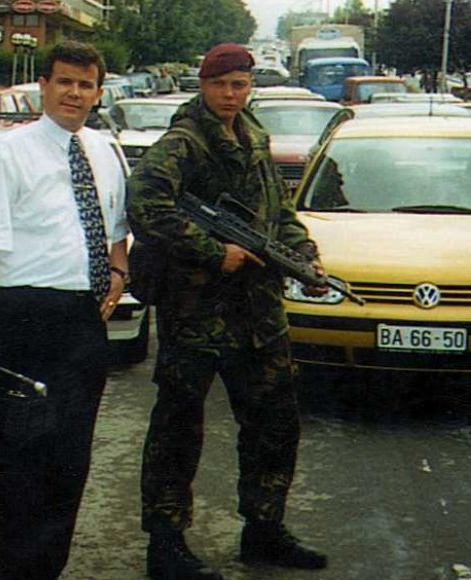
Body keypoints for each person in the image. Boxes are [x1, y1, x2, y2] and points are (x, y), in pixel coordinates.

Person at [126, 43, 329, 580]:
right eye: (220, 85)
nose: (230, 95)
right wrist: (215, 252)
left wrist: (303, 255)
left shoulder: (254, 135)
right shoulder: (183, 143)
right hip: (196, 310)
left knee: (274, 421)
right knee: (178, 427)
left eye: (239, 85)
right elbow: (146, 206)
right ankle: (166, 544)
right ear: (203, 85)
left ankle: (264, 529)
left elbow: (278, 211)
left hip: (258, 311)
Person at [0, 40, 127, 580]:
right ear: (44, 86)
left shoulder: (104, 150)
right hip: (21, 319)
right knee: (7, 463)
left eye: (84, 84)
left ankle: (42, 570)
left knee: (67, 461)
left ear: (98, 93)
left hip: (81, 324)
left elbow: (116, 228)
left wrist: (118, 271)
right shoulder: (9, 153)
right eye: (64, 82)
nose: (74, 93)